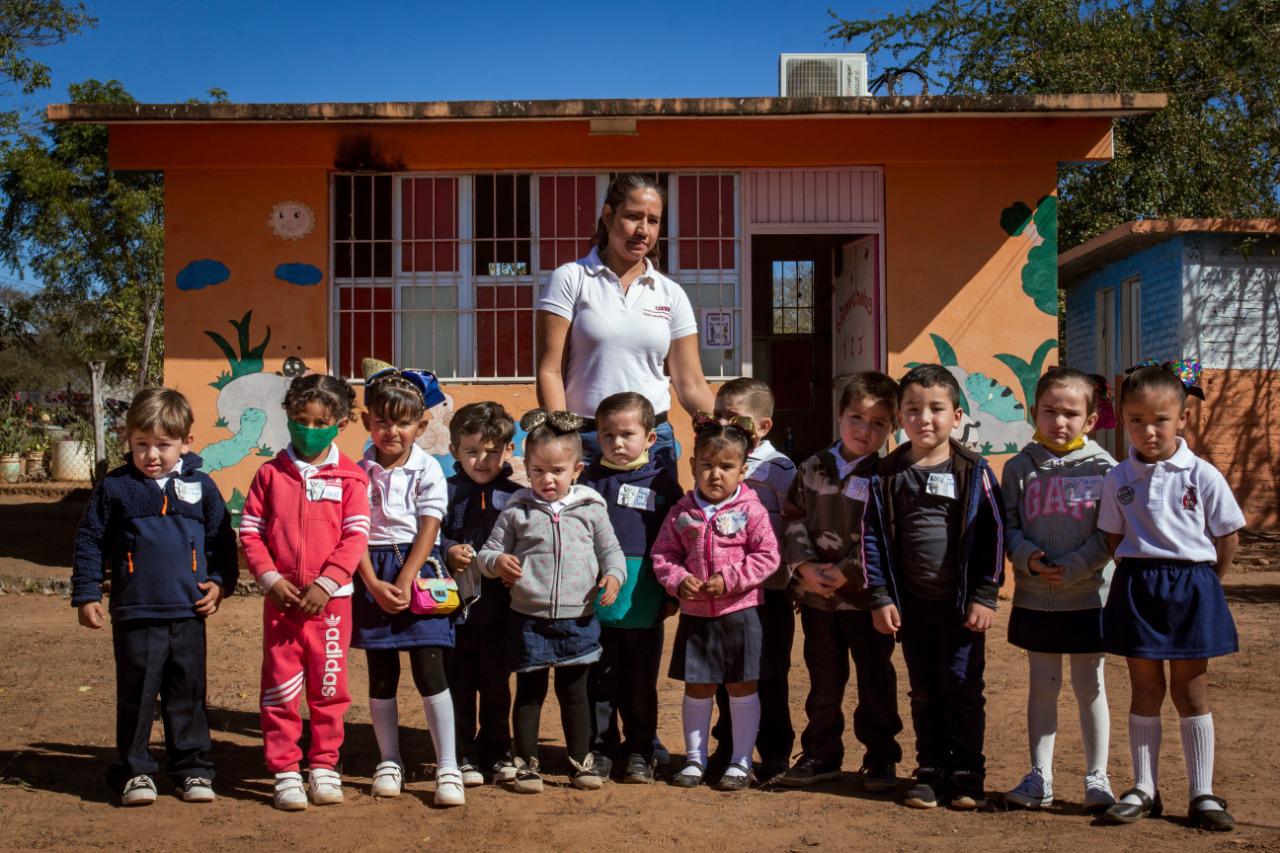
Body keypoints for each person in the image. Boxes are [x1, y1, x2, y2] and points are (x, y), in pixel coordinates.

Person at [71, 387, 237, 806]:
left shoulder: (202, 487)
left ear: (186, 443)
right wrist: (87, 591)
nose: (152, 455)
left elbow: (222, 540)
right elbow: (90, 539)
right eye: (142, 444)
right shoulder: (115, 488)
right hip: (135, 613)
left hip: (188, 612)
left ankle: (193, 770)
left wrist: (219, 583)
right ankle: (135, 773)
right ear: (128, 439)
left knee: (188, 695)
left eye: (163, 445)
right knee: (137, 697)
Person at [1098, 361, 1244, 832]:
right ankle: (1144, 788)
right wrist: (1140, 572)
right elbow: (1111, 539)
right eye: (1135, 420)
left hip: (1193, 587)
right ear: (1123, 421)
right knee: (1145, 689)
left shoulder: (1201, 474)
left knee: (1190, 691)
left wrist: (1209, 581)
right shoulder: (1118, 477)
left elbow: (1226, 535)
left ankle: (1202, 793)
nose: (1148, 430)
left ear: (1182, 418)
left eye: (1160, 419)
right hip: (1139, 586)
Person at [867, 364, 1004, 811]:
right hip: (913, 607)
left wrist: (985, 595)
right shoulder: (886, 473)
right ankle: (930, 771)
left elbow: (993, 535)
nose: (925, 418)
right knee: (923, 688)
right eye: (913, 409)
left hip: (961, 608)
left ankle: (967, 773)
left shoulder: (974, 470)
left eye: (936, 409)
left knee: (962, 687)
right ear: (900, 417)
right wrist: (881, 596)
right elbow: (872, 537)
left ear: (958, 417)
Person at [476, 409, 626, 794]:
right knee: (529, 695)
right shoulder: (517, 511)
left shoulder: (591, 509)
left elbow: (611, 552)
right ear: (526, 468)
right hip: (528, 618)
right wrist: (497, 563)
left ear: (576, 469)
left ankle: (580, 762)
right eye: (538, 470)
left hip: (579, 619)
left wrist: (613, 577)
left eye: (557, 470)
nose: (547, 479)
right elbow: (488, 553)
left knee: (575, 696)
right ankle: (526, 764)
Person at [239, 374, 371, 811]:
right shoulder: (269, 474)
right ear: (288, 417)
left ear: (341, 423)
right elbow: (251, 533)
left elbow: (355, 538)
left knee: (329, 687)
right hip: (282, 604)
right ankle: (285, 771)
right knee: (279, 688)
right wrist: (271, 580)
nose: (309, 429)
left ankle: (324, 766)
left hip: (332, 607)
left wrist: (326, 584)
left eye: (320, 422)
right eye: (300, 419)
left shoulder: (352, 478)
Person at [535, 172, 714, 474]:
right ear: (607, 216)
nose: (643, 230)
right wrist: (563, 441)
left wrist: (726, 428)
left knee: (654, 524)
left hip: (653, 444)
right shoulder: (571, 278)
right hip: (586, 442)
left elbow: (691, 383)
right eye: (632, 217)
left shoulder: (671, 293)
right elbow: (550, 370)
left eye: (653, 221)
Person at [778, 372, 902, 793]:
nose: (865, 430)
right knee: (823, 682)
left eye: (879, 423)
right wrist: (806, 567)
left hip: (866, 602)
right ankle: (820, 754)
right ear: (840, 415)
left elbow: (889, 535)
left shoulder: (890, 474)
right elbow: (793, 518)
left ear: (893, 427)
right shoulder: (812, 467)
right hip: (817, 601)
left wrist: (847, 571)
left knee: (875, 680)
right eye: (856, 418)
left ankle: (882, 757)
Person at [1001, 367, 1118, 812]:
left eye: (1071, 413)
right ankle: (1039, 778)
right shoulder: (1018, 468)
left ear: (1090, 420)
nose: (1059, 421)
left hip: (1089, 599)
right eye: (1050, 411)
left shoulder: (1105, 468)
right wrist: (1025, 556)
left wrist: (1076, 566)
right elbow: (1008, 525)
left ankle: (1097, 779)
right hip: (1035, 598)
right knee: (1043, 684)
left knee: (1091, 686)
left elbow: (1110, 534)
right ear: (1035, 412)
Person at [350, 360, 463, 806]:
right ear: (366, 422)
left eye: (402, 422)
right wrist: (374, 582)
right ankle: (389, 760)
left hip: (420, 566)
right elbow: (353, 529)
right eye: (381, 422)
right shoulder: (356, 472)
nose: (391, 431)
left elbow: (430, 525)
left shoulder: (429, 469)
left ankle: (448, 766)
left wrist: (406, 576)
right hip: (372, 571)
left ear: (421, 423)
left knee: (430, 669)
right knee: (382, 673)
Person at [651, 414, 780, 792]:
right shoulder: (682, 511)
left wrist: (730, 579)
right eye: (706, 465)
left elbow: (768, 555)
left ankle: (740, 762)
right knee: (698, 687)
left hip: (740, 616)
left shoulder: (752, 510)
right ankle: (694, 759)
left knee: (742, 687)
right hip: (695, 618)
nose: (715, 475)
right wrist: (678, 581)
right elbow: (663, 555)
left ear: (742, 470)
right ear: (692, 466)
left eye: (726, 466)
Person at [581, 392, 684, 784]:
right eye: (607, 435)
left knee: (641, 683)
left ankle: (641, 750)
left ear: (650, 438)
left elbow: (677, 543)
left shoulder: (664, 484)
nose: (617, 443)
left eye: (627, 434)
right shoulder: (588, 482)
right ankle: (602, 749)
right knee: (600, 681)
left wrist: (672, 595)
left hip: (644, 602)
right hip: (598, 603)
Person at [708, 378, 797, 781]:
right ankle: (727, 747)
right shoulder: (714, 462)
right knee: (729, 675)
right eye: (719, 414)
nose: (723, 421)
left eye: (734, 416)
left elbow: (796, 525)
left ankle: (776, 753)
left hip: (770, 594)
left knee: (770, 674)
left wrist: (793, 576)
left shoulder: (780, 471)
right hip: (726, 594)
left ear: (763, 426)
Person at [440, 401, 522, 787]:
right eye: (472, 451)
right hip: (452, 612)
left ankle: (498, 751)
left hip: (500, 612)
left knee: (495, 686)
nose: (482, 460)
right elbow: (428, 533)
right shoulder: (444, 491)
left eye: (492, 451)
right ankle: (462, 756)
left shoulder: (519, 496)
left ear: (509, 449)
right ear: (455, 450)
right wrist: (447, 549)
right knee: (458, 686)